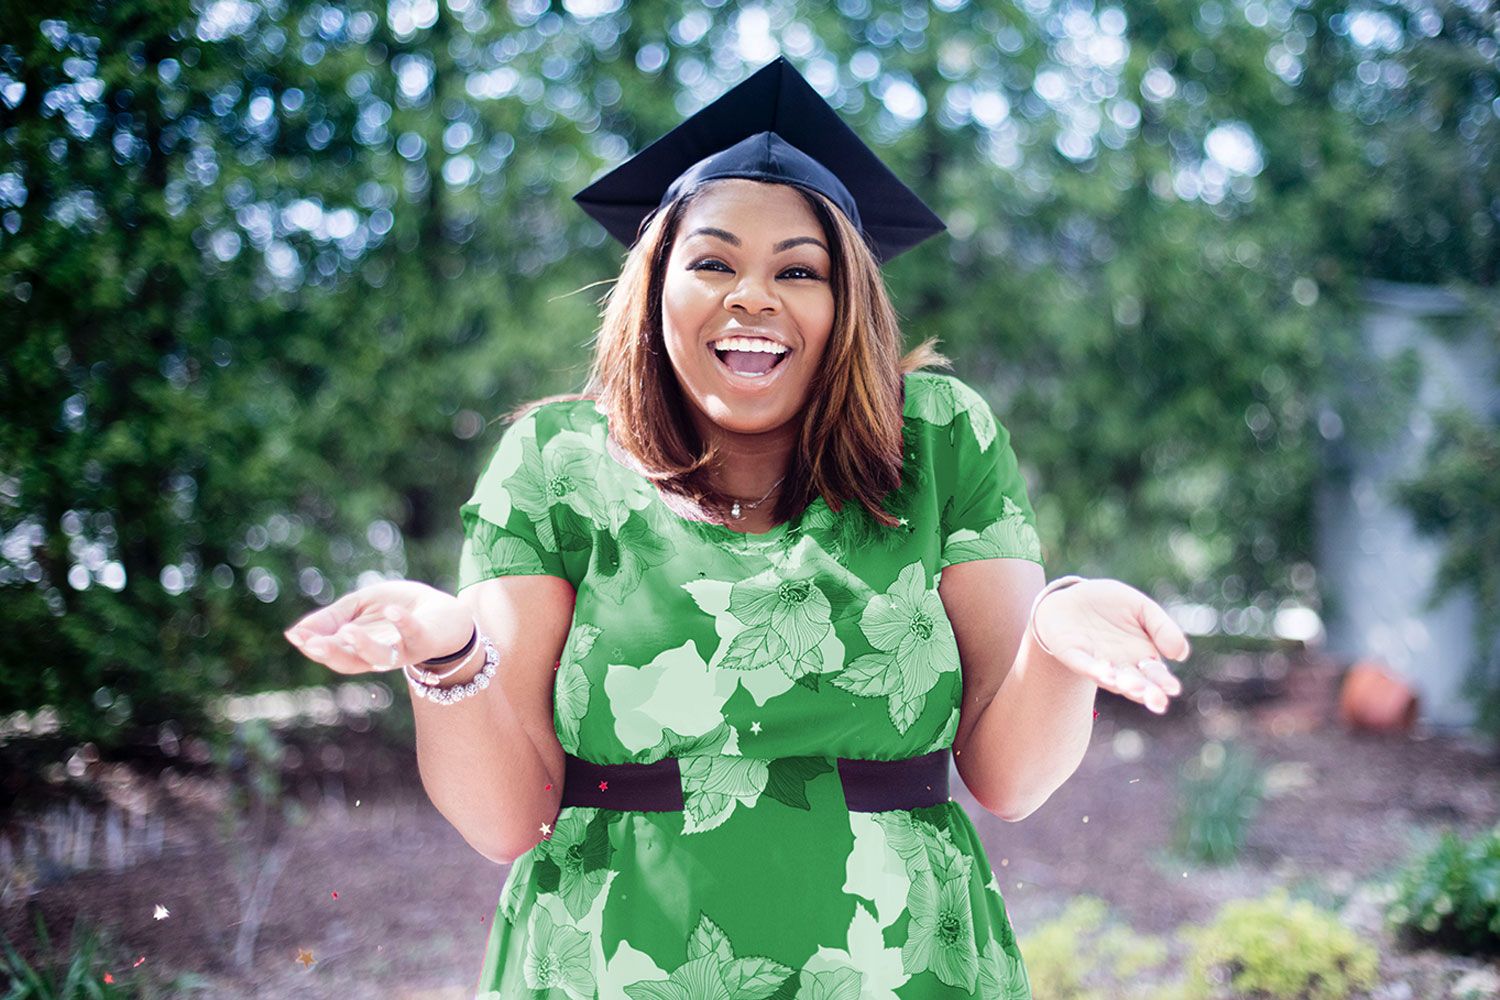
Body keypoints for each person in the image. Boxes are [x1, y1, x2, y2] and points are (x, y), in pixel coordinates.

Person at [283, 56, 1189, 1000]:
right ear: (654, 287)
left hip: (901, 970)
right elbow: (507, 819)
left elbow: (1010, 780)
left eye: (799, 270)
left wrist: (1056, 637)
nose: (753, 296)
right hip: (611, 968)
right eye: (712, 261)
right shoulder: (555, 464)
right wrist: (447, 651)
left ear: (848, 307)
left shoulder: (942, 440)